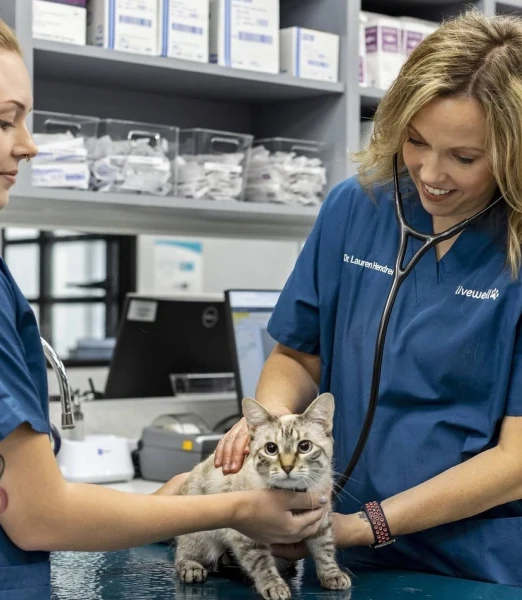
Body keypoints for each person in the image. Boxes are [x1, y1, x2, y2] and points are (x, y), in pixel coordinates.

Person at [0, 4, 329, 600]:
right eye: (6, 121)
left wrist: (166, 501)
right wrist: (241, 508)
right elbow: (40, 516)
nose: (30, 146)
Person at [215, 9, 522, 588]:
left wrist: (364, 525)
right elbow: (296, 356)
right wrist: (278, 431)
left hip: (475, 565)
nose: (431, 173)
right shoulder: (357, 207)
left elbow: (516, 463)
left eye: (464, 157)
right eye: (416, 141)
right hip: (339, 553)